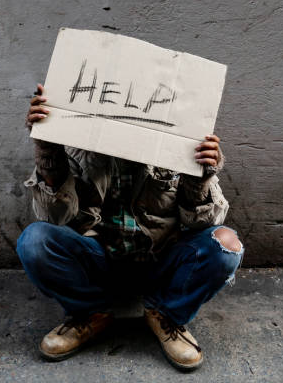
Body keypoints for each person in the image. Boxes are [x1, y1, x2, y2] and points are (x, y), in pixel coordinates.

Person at [16, 84, 244, 371]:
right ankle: (91, 313)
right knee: (34, 242)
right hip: (99, 260)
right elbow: (55, 218)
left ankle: (166, 314)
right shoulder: (77, 143)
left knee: (226, 245)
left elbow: (204, 224)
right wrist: (47, 148)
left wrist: (200, 175)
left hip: (160, 261)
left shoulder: (179, 143)